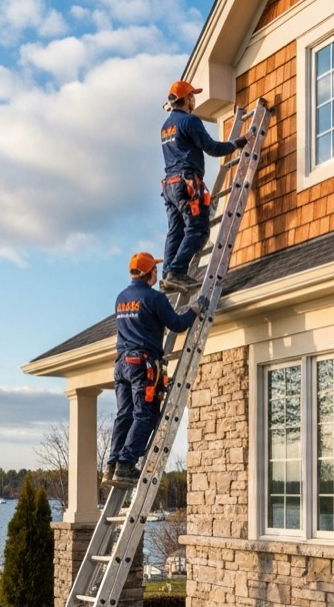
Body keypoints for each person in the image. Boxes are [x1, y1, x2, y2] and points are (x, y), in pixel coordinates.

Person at [106, 251, 208, 488]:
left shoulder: (121, 297)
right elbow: (178, 324)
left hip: (122, 363)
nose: (157, 272)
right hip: (142, 364)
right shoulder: (155, 298)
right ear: (146, 273)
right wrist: (195, 309)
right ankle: (125, 465)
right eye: (154, 269)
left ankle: (112, 464)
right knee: (145, 414)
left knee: (125, 414)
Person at [158, 80, 248, 293]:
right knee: (198, 229)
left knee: (176, 231)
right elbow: (212, 148)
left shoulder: (166, 126)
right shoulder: (190, 121)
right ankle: (176, 272)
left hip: (169, 186)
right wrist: (238, 142)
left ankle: (167, 276)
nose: (194, 100)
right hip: (187, 183)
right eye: (193, 96)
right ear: (187, 98)